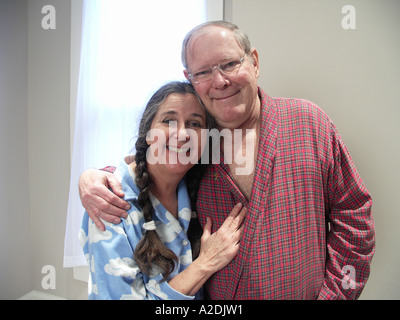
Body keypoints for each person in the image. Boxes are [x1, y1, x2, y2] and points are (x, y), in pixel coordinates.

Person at [79, 21, 375, 299]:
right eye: (204, 72)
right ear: (190, 79)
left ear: (254, 62)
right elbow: (148, 165)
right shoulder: (197, 146)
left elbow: (354, 214)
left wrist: (336, 294)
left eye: (230, 64)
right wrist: (96, 177)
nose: (220, 81)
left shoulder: (308, 123)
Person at [79, 81, 246, 300]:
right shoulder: (111, 202)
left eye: (195, 124)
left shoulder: (201, 190)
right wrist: (205, 264)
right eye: (169, 121)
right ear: (148, 132)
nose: (182, 134)